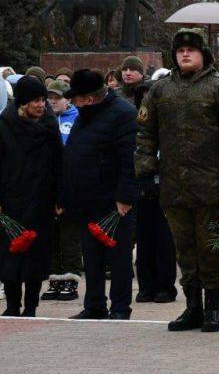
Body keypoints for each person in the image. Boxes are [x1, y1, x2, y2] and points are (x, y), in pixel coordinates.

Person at [135, 27, 219, 333]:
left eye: (191, 49)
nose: (185, 54)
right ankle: (192, 308)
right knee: (185, 251)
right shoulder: (160, 90)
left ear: (204, 53)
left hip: (212, 187)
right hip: (174, 187)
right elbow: (146, 136)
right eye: (180, 50)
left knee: (210, 250)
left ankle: (212, 310)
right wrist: (146, 174)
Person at [61, 69, 142, 320]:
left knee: (118, 258)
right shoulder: (86, 114)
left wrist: (126, 197)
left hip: (114, 201)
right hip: (87, 198)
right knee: (92, 256)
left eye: (76, 97)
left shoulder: (123, 114)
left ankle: (119, 308)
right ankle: (94, 304)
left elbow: (131, 160)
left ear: (89, 98)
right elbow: (74, 151)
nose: (73, 102)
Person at [0, 77, 61, 316]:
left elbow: (59, 162)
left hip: (41, 201)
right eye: (36, 100)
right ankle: (12, 305)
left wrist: (59, 198)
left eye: (44, 100)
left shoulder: (48, 125)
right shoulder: (4, 126)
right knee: (11, 254)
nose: (42, 105)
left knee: (36, 257)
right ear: (23, 102)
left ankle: (31, 307)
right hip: (10, 202)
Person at [134, 67, 177, 304]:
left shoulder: (169, 124)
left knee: (165, 240)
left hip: (167, 187)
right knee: (144, 239)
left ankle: (164, 286)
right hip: (143, 188)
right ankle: (146, 285)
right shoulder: (135, 125)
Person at [40, 80, 82, 302]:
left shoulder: (76, 119)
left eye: (57, 98)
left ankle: (71, 280)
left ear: (68, 99)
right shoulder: (45, 120)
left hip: (70, 186)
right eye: (50, 98)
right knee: (52, 237)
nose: (53, 101)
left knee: (69, 236)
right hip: (49, 186)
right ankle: (54, 279)